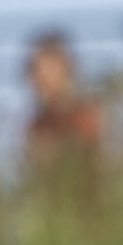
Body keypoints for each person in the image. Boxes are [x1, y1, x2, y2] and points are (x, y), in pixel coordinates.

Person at [23, 30, 103, 167]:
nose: (38, 79)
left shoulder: (87, 115)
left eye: (48, 70)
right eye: (34, 70)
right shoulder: (39, 123)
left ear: (66, 69)